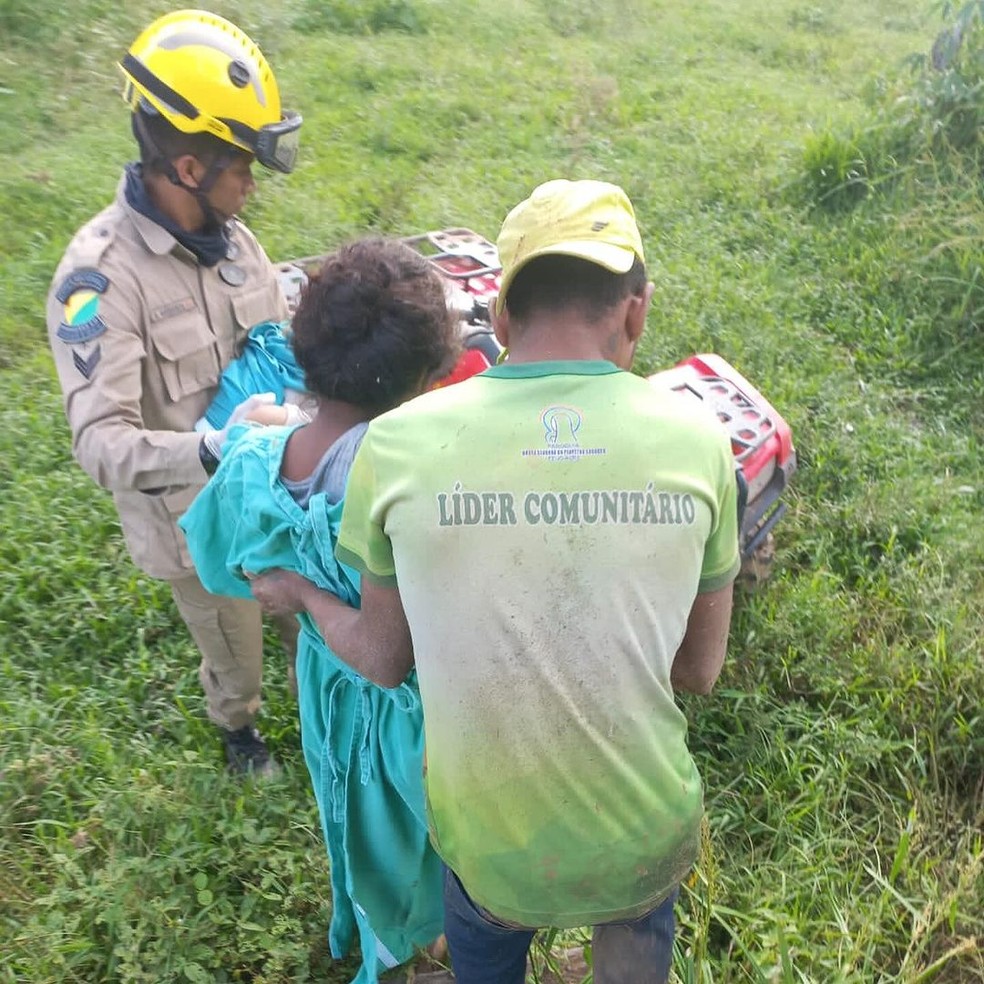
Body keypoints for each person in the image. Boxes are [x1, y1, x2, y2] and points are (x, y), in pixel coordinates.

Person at [250, 179, 741, 984]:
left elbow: (381, 659)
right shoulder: (699, 440)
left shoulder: (400, 444)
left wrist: (300, 594)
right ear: (637, 313)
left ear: (503, 321)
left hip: (490, 843)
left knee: (484, 945)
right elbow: (699, 670)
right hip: (644, 833)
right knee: (634, 938)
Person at [178, 238, 460, 984]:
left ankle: (389, 941)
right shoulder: (407, 477)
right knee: (433, 834)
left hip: (327, 685)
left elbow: (219, 556)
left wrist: (265, 424)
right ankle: (438, 949)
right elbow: (388, 653)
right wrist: (307, 592)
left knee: (355, 815)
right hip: (416, 704)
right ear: (430, 375)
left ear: (305, 351)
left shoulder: (255, 455)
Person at [45, 9, 302, 775]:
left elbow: (274, 343)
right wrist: (218, 450)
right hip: (197, 529)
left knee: (308, 620)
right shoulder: (96, 283)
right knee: (235, 655)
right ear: (188, 168)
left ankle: (325, 711)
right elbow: (101, 445)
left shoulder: (236, 239)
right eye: (240, 164)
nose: (252, 183)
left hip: (273, 497)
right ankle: (239, 733)